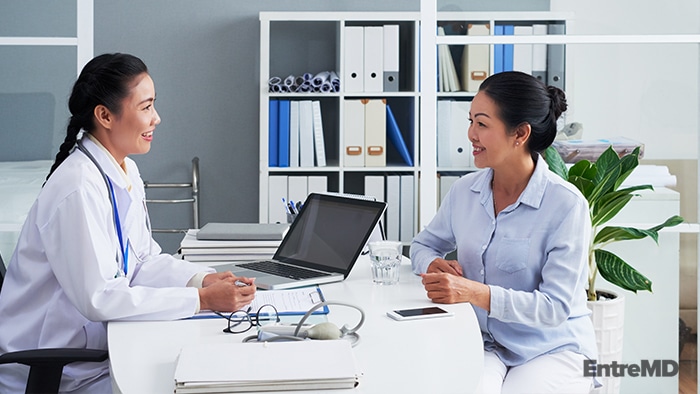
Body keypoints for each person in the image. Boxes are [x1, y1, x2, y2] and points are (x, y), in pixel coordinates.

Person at [0, 53, 256, 393]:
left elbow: (141, 260)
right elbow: (99, 298)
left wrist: (201, 278)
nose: (157, 118)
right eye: (146, 107)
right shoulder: (77, 188)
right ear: (105, 115)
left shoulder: (122, 169)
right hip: (58, 368)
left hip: (95, 348)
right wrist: (203, 300)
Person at [411, 71, 598, 393]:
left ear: (520, 134)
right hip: (484, 343)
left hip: (550, 347)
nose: (471, 134)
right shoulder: (464, 191)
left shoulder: (565, 205)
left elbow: (555, 307)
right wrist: (431, 263)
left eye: (482, 124)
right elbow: (423, 244)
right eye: (471, 121)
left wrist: (473, 293)